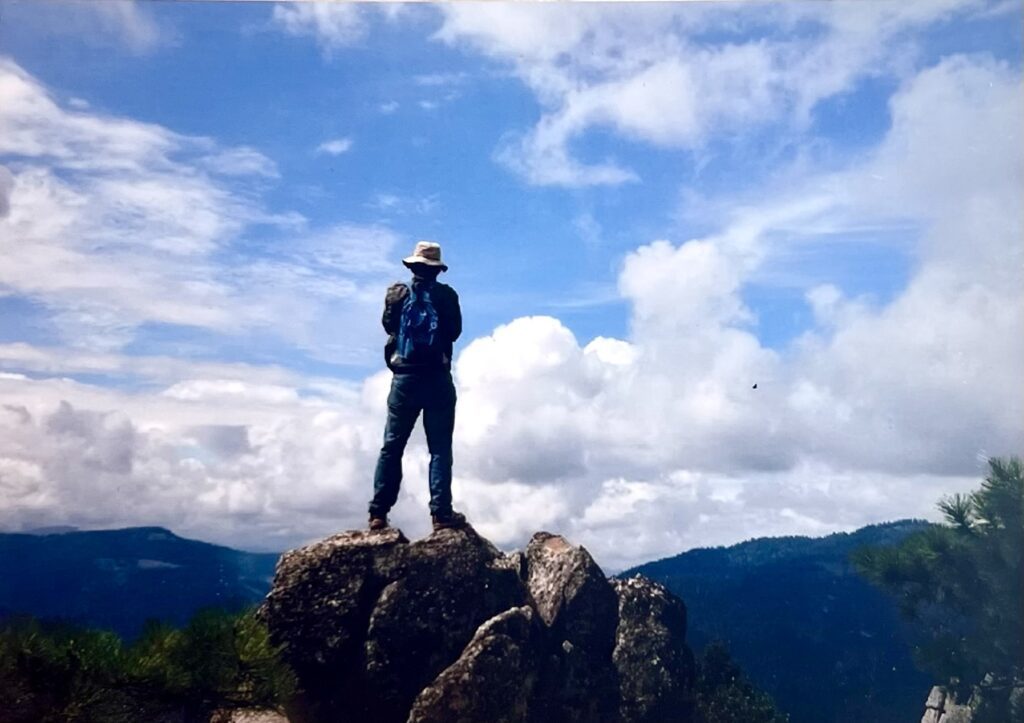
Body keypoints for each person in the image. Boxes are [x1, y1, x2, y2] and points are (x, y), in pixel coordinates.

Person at [368, 241, 467, 532]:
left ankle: (378, 512)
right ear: (437, 270)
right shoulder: (447, 296)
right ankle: (441, 515)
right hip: (437, 377)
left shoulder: (397, 294)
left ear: (412, 266)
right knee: (439, 449)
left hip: (405, 378)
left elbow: (389, 327)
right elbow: (454, 332)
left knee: (392, 446)